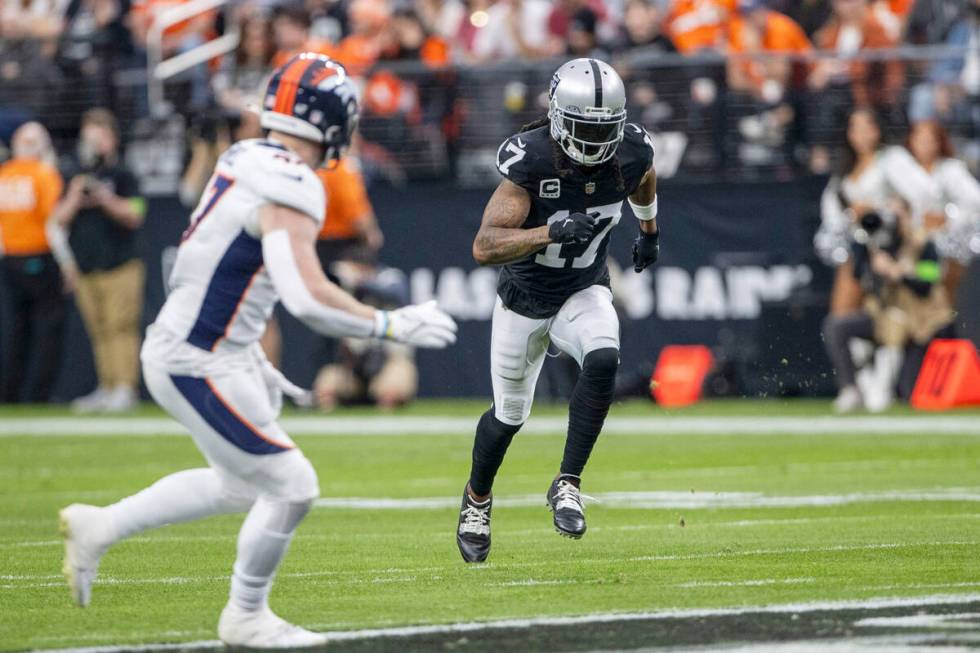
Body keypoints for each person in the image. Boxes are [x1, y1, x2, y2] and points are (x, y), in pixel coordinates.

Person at [58, 53, 457, 648]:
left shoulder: (245, 157)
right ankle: (244, 616)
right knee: (293, 485)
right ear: (331, 121)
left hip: (210, 349)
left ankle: (101, 526)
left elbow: (221, 275)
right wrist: (391, 325)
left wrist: (249, 353)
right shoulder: (289, 179)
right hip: (198, 358)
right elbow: (306, 296)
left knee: (241, 484)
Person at [455, 58, 659, 563]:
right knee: (508, 416)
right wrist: (549, 231)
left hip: (583, 289)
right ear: (559, 119)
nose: (594, 140)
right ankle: (477, 500)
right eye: (584, 128)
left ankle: (567, 482)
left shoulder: (631, 149)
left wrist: (650, 230)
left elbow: (644, 176)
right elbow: (484, 246)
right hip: (525, 300)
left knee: (604, 356)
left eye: (604, 128)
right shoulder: (531, 161)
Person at [50, 108, 147, 413]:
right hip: (86, 265)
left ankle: (125, 387)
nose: (95, 143)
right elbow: (57, 220)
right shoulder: (72, 173)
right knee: (99, 329)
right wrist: (76, 196)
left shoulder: (124, 173)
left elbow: (136, 214)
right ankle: (107, 386)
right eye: (90, 136)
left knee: (121, 326)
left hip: (120, 263)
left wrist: (106, 199)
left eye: (100, 136)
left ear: (113, 139)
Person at [823, 198, 952, 412]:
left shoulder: (923, 244)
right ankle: (850, 388)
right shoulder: (876, 243)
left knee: (909, 393)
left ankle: (879, 380)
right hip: (884, 318)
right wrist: (863, 246)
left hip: (920, 324)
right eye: (887, 215)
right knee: (836, 326)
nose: (890, 222)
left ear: (909, 217)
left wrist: (898, 273)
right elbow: (858, 275)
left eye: (897, 216)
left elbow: (927, 285)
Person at [814, 108, 940, 316]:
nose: (861, 134)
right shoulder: (844, 170)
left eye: (867, 127)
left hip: (892, 249)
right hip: (856, 251)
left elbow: (925, 193)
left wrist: (886, 210)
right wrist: (851, 216)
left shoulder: (891, 158)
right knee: (842, 315)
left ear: (878, 129)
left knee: (897, 310)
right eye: (855, 128)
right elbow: (831, 213)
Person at [0, 122, 69, 403]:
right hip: (39, 255)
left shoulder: (4, 174)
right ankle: (41, 394)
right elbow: (54, 223)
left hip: (10, 259)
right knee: (48, 328)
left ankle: (10, 393)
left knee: (16, 328)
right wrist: (67, 263)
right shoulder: (43, 173)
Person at [905, 119, 980, 300]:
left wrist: (947, 218)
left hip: (943, 246)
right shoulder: (903, 171)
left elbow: (975, 201)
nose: (924, 145)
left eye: (929, 140)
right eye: (920, 139)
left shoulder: (951, 169)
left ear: (939, 142)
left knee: (937, 292)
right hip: (907, 245)